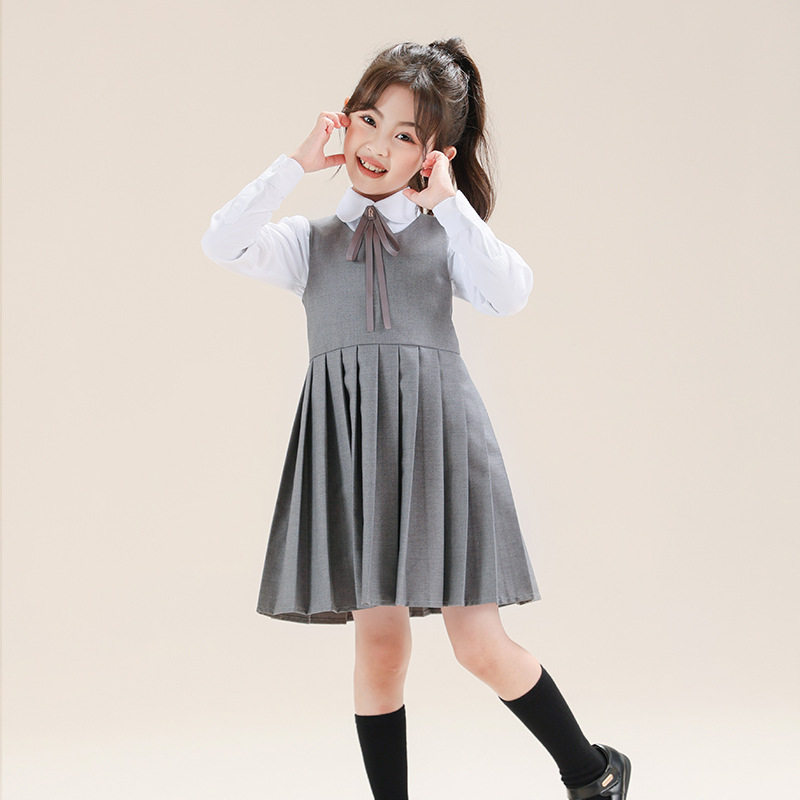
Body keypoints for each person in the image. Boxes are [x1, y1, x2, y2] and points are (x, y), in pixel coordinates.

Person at [201, 37, 631, 800]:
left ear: (432, 156)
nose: (378, 146)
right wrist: (295, 165)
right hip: (355, 456)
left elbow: (511, 293)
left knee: (478, 643)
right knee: (379, 649)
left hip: (440, 447)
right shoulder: (310, 244)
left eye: (405, 135)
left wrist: (450, 205)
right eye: (369, 120)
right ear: (345, 121)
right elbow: (222, 241)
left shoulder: (444, 236)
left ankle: (593, 774)